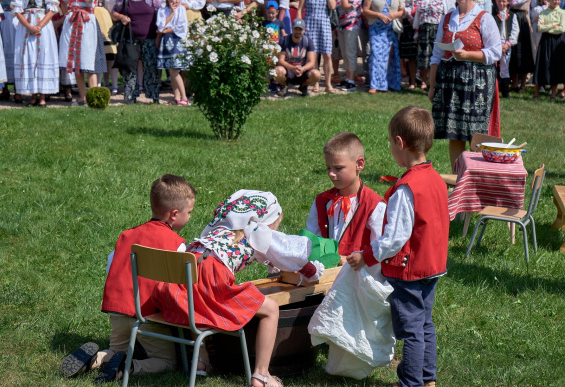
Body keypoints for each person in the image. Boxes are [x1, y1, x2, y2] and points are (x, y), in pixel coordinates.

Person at [152, 190, 324, 387]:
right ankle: (262, 375)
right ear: (267, 220)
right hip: (213, 275)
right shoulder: (258, 233)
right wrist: (313, 271)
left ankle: (201, 361)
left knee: (196, 300)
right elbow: (290, 257)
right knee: (270, 309)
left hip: (186, 271)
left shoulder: (219, 230)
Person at [347, 105, 449, 387]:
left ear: (400, 143)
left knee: (412, 331)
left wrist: (366, 255)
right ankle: (428, 379)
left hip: (410, 271)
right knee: (425, 324)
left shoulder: (407, 188)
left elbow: (395, 238)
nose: (391, 147)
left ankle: (411, 383)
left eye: (391, 142)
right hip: (433, 266)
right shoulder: (437, 180)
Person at [60, 175, 197, 381]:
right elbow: (182, 285)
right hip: (148, 315)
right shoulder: (176, 244)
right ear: (174, 214)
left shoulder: (127, 235)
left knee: (117, 348)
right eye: (189, 212)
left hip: (117, 311)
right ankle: (127, 368)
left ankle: (97, 358)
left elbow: (111, 268)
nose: (190, 217)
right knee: (167, 361)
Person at [428, 0, 500, 171]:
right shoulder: (447, 18)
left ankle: (474, 178)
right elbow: (436, 55)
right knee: (455, 133)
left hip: (477, 84)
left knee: (475, 134)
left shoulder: (484, 18)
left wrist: (468, 55)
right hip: (450, 82)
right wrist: (432, 87)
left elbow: (495, 52)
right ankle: (458, 178)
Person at [306, 132, 386, 265]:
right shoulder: (322, 201)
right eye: (328, 168)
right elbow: (311, 239)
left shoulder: (374, 205)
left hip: (360, 278)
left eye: (338, 168)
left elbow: (381, 248)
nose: (331, 173)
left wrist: (352, 260)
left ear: (359, 164)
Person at [111, 0, 161, 104]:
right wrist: (122, 16)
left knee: (151, 67)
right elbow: (113, 13)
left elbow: (160, 13)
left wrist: (159, 34)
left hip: (149, 37)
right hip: (130, 38)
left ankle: (153, 96)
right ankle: (130, 96)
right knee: (130, 67)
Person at [12, 0, 60, 106]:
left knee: (43, 56)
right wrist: (29, 27)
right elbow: (17, 11)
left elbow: (51, 10)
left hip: (43, 26)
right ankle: (33, 94)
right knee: (29, 56)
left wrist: (39, 26)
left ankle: (43, 95)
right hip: (26, 27)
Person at [58, 0, 104, 105]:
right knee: (76, 60)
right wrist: (67, 14)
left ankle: (93, 96)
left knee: (89, 60)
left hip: (88, 22)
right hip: (73, 22)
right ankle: (82, 97)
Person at [362, 0, 403, 94]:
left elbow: (402, 10)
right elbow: (365, 10)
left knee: (391, 57)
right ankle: (375, 84)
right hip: (377, 28)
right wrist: (379, 15)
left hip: (391, 29)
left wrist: (394, 15)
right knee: (376, 55)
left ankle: (390, 84)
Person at [297, 0, 337, 93]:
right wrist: (300, 26)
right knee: (313, 56)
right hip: (310, 24)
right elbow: (300, 9)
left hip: (324, 25)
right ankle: (316, 83)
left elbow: (332, 6)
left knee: (327, 55)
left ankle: (328, 84)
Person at [412, 0, 453, 90]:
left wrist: (447, 32)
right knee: (423, 56)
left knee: (435, 56)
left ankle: (434, 82)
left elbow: (449, 13)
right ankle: (424, 81)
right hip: (424, 29)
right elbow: (418, 15)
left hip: (438, 28)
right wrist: (416, 31)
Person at [533, 0, 565, 102]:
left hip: (558, 42)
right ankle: (536, 94)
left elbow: (562, 28)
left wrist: (547, 27)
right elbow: (540, 27)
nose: (557, 2)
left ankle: (553, 95)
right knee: (541, 65)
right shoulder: (543, 12)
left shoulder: (562, 12)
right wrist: (554, 26)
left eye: (558, 0)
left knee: (555, 66)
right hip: (545, 41)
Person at [156, 0, 189, 105]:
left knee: (175, 69)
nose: (176, 1)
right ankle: (177, 97)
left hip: (177, 41)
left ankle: (184, 97)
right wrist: (172, 13)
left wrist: (167, 30)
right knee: (171, 70)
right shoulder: (162, 11)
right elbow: (160, 26)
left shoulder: (182, 10)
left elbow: (182, 27)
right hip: (166, 42)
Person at [274, 18, 320, 96]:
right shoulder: (284, 40)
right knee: (277, 71)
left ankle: (303, 86)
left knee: (317, 74)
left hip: (302, 71)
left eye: (300, 29)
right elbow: (281, 60)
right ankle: (283, 85)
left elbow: (312, 62)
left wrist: (302, 69)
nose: (298, 31)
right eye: (296, 29)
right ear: (292, 28)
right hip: (288, 70)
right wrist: (292, 68)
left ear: (304, 30)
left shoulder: (308, 41)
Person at [506, 0, 533, 93]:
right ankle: (514, 82)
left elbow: (514, 2)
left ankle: (522, 84)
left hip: (521, 18)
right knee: (513, 49)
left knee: (522, 49)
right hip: (511, 17)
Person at [400, 0, 427, 90]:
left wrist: (415, 18)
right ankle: (412, 80)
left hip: (422, 25)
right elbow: (403, 4)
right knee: (411, 55)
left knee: (423, 54)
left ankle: (424, 80)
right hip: (409, 25)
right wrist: (410, 17)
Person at [335, 0, 361, 91]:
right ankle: (347, 78)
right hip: (341, 25)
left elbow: (345, 6)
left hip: (351, 26)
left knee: (350, 53)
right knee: (344, 53)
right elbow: (334, 3)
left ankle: (351, 80)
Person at [493, 0, 518, 98]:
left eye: (504, 1)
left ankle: (505, 92)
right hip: (494, 44)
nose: (501, 4)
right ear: (495, 1)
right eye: (499, 1)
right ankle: (493, 91)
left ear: (508, 2)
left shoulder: (512, 16)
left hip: (506, 45)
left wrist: (508, 44)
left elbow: (515, 31)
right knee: (493, 66)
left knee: (504, 67)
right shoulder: (492, 15)